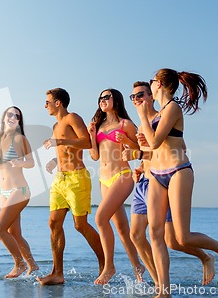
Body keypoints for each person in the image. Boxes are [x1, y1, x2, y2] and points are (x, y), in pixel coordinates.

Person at [136, 70, 218, 297]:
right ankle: (164, 291)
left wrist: (142, 118)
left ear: (158, 84)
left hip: (178, 172)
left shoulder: (172, 108)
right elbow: (154, 146)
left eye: (151, 82)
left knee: (182, 237)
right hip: (156, 175)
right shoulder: (160, 112)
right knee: (156, 234)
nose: (149, 85)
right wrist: (142, 146)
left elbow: (157, 140)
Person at [123, 81, 216, 288]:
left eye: (140, 95)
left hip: (166, 178)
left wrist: (139, 152)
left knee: (174, 241)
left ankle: (206, 256)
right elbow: (152, 155)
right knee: (137, 235)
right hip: (146, 180)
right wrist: (140, 165)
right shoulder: (144, 124)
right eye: (133, 97)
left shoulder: (165, 115)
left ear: (151, 95)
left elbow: (168, 149)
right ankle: (160, 285)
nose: (136, 99)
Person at [37, 88, 105, 285]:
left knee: (80, 225)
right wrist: (54, 161)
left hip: (77, 177)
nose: (45, 105)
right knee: (53, 223)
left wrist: (60, 141)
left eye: (48, 101)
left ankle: (105, 265)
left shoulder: (72, 117)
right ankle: (57, 273)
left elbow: (85, 142)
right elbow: (65, 150)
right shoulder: (55, 125)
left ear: (58, 103)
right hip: (60, 179)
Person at [87, 88, 145, 285]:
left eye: (106, 97)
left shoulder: (125, 124)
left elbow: (143, 147)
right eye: (100, 97)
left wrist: (127, 140)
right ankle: (138, 267)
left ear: (116, 100)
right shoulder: (99, 125)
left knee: (100, 217)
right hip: (104, 180)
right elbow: (95, 157)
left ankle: (109, 266)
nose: (102, 100)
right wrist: (92, 136)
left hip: (122, 175)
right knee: (121, 228)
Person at [0, 106, 39, 278]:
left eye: (16, 116)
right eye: (10, 114)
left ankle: (20, 264)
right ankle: (32, 265)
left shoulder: (20, 138)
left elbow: (31, 162)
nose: (12, 117)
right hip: (4, 192)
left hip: (20, 190)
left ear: (19, 121)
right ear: (4, 118)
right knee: (14, 233)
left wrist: (20, 163)